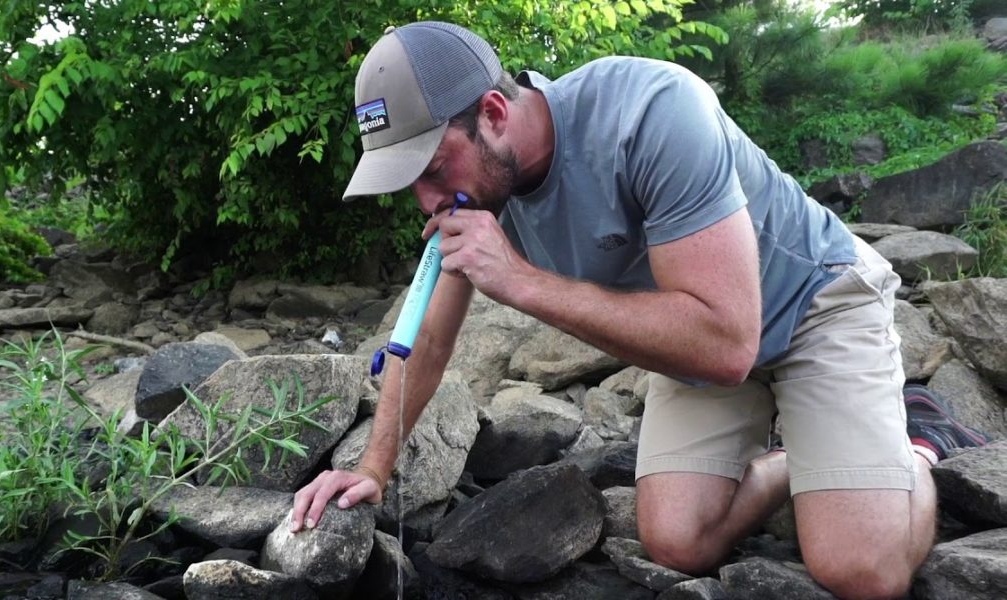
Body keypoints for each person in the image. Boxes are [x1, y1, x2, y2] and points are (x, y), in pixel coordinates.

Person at [290, 21, 987, 599]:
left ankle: (918, 446)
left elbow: (727, 343)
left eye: (434, 169)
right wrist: (373, 470)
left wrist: (523, 282)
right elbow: (430, 342)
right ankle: (793, 460)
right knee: (677, 541)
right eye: (409, 182)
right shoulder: (476, 191)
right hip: (690, 332)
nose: (427, 201)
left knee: (862, 570)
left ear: (494, 115)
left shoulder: (650, 112)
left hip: (813, 305)